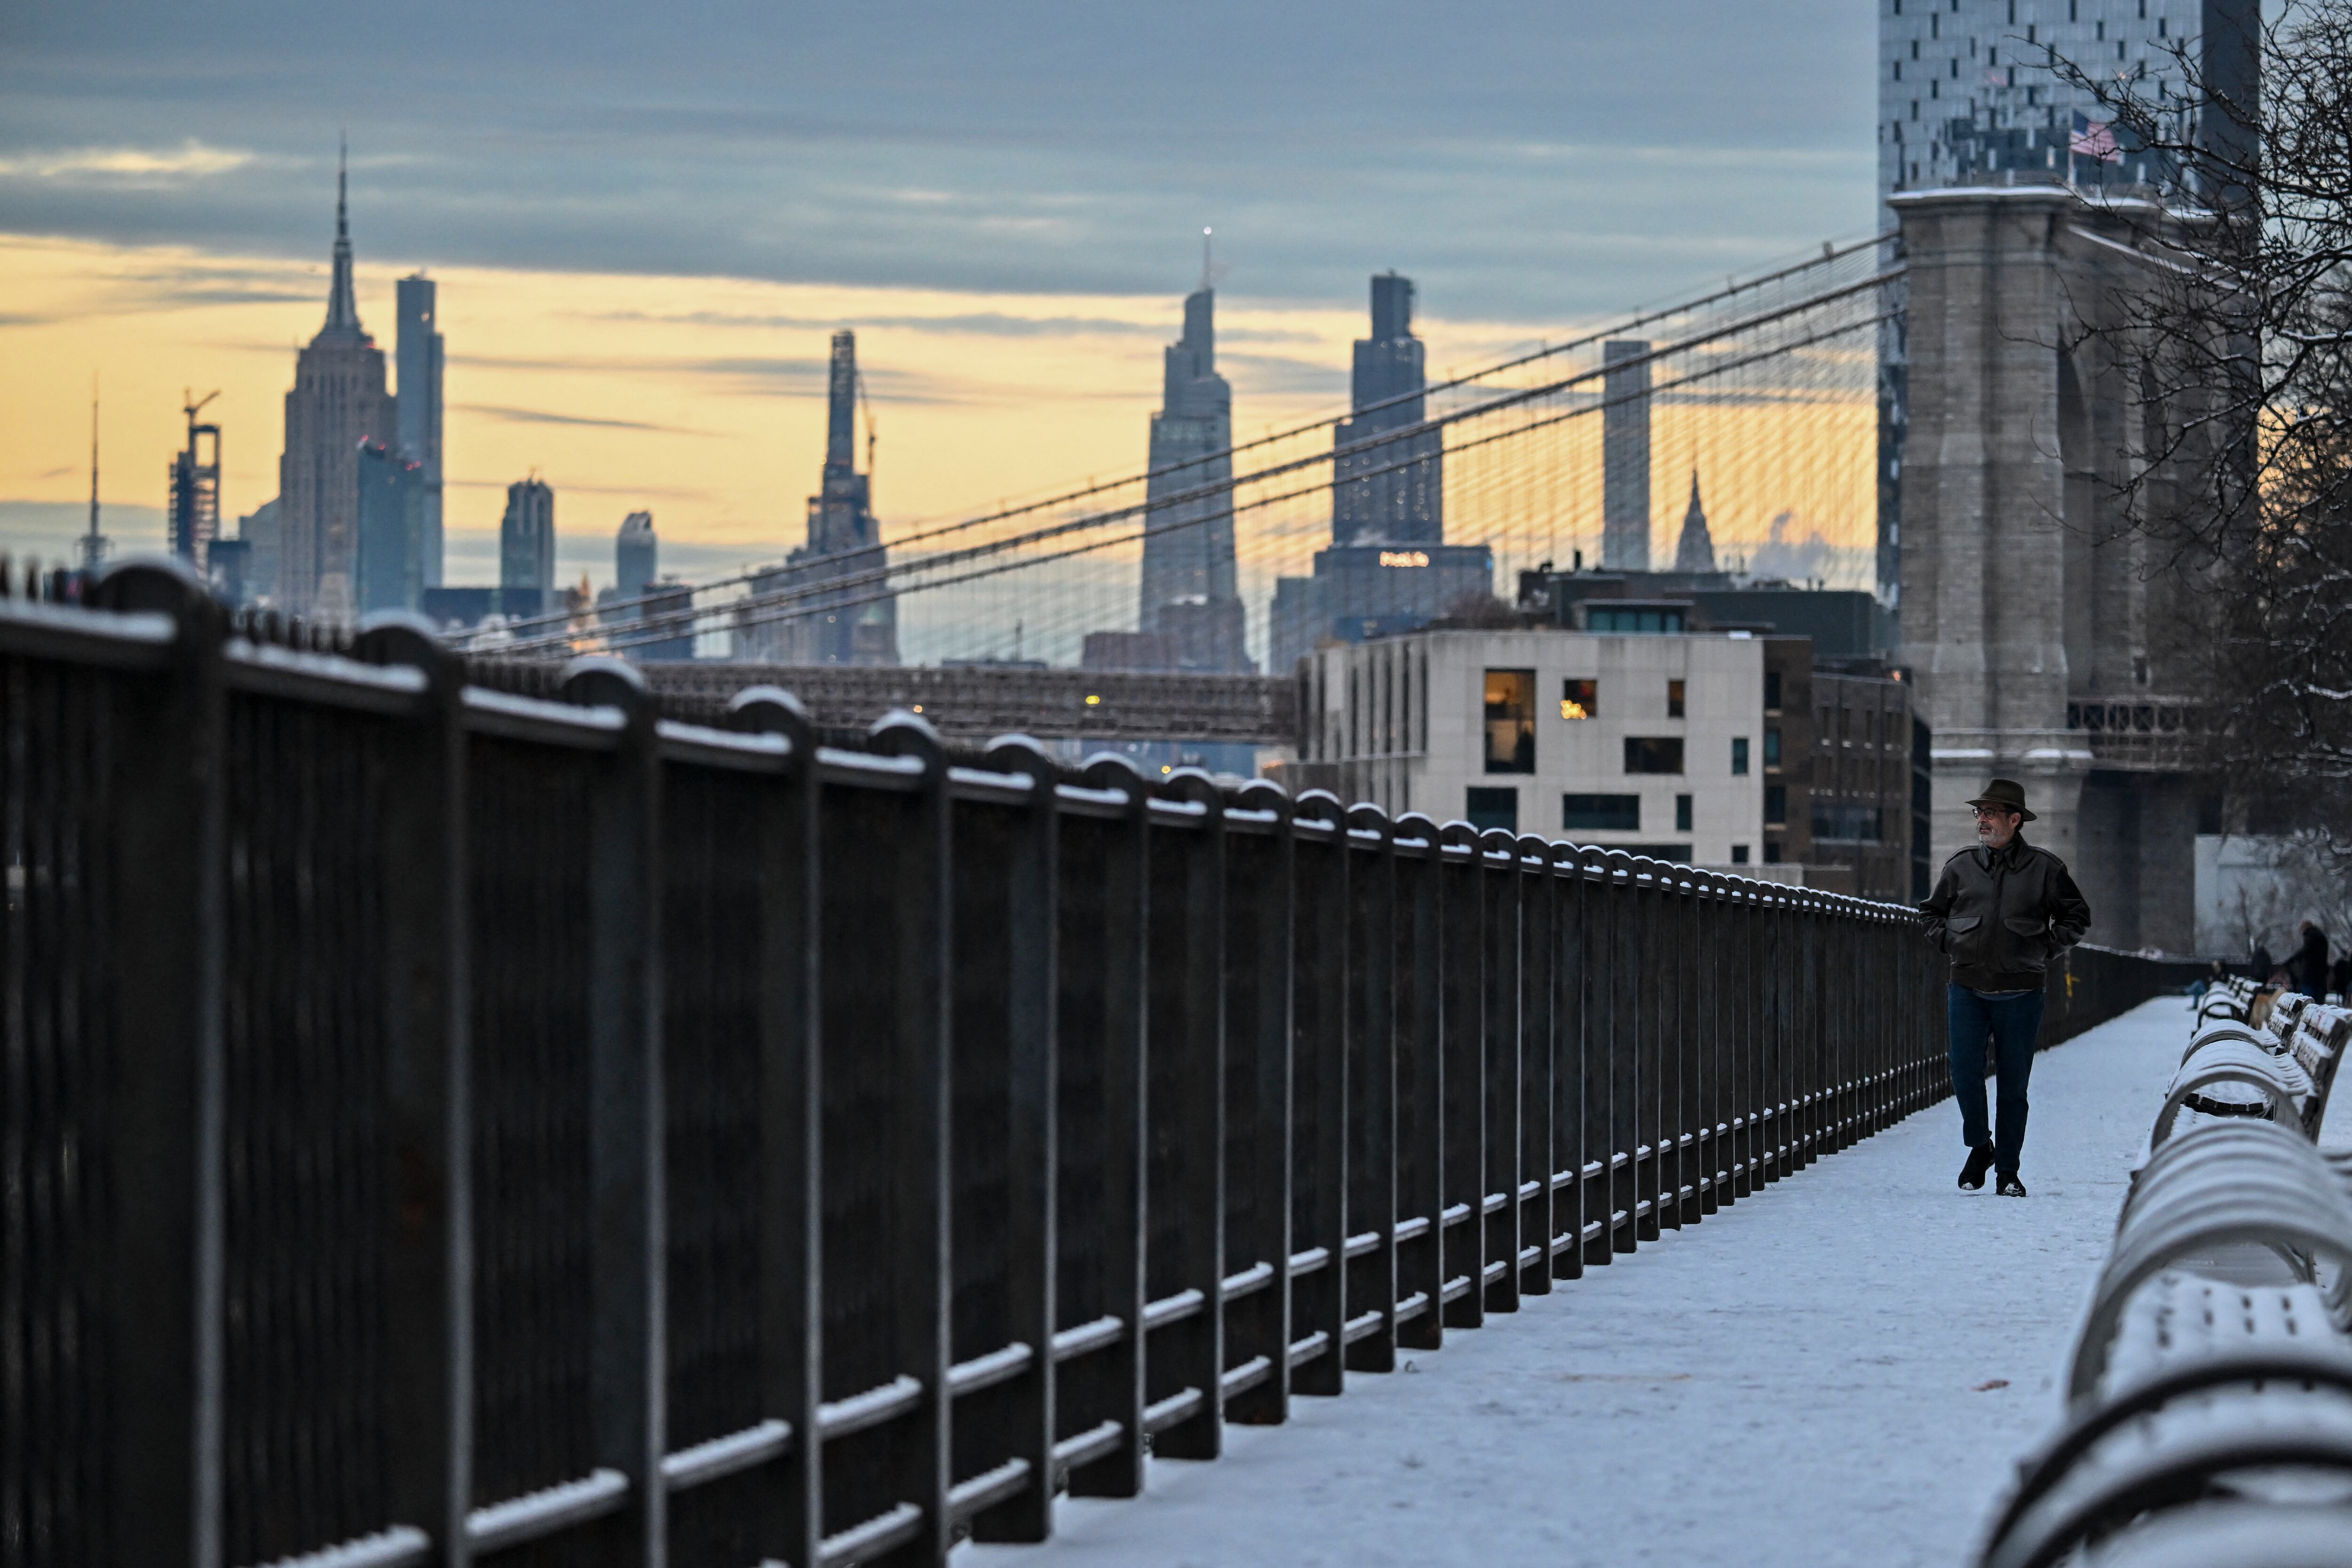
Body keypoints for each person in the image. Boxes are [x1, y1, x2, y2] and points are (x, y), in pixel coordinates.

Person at [1917, 778, 2093, 1198]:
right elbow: (1930, 914)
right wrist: (1952, 943)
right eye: (1979, 813)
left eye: (1991, 813)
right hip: (1968, 989)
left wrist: (2044, 949)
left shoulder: (2045, 869)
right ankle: (1981, 1147)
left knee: (2013, 1087)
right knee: (1964, 1074)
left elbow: (2077, 917)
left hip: (2022, 993)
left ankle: (2008, 1173)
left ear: (2015, 820)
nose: (1983, 820)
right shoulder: (1960, 867)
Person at [2289, 921, 2331, 999]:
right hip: (2321, 974)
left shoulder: (2310, 936)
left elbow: (2306, 951)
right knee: (2319, 1000)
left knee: (2308, 999)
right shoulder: (2321, 937)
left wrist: (2293, 959)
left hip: (2310, 974)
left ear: (2304, 928)